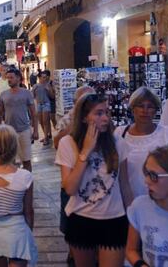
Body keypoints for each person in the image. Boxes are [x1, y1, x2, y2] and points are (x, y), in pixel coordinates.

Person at [55, 93, 129, 267]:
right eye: (98, 113)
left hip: (114, 218)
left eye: (106, 112)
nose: (105, 118)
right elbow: (70, 188)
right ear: (83, 118)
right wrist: (85, 152)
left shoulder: (118, 142)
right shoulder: (67, 143)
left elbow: (125, 185)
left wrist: (132, 217)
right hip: (81, 218)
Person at [0, 124, 37, 266]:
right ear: (15, 146)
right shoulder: (25, 177)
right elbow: (29, 212)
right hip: (16, 231)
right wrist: (29, 232)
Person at [114, 86, 168, 206]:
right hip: (125, 201)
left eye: (150, 106)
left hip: (160, 202)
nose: (145, 111)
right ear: (133, 109)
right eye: (141, 106)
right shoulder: (119, 133)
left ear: (155, 110)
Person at [53, 85, 95, 266]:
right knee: (70, 221)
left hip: (94, 182)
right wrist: (72, 127)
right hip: (71, 177)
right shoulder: (68, 119)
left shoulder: (101, 118)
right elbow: (56, 142)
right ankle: (73, 254)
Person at [0, 68, 38, 171]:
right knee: (11, 160)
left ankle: (28, 182)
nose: (9, 80)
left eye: (11, 77)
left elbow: (33, 113)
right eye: (8, 78)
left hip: (24, 130)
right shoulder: (3, 94)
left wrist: (36, 130)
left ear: (18, 78)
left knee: (26, 160)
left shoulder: (26, 93)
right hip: (9, 132)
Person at [31, 71, 53, 146]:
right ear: (39, 78)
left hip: (46, 104)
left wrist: (48, 90)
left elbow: (52, 96)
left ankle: (46, 138)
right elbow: (32, 96)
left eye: (45, 77)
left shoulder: (48, 85)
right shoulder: (35, 86)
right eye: (43, 77)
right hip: (39, 105)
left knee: (46, 121)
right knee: (41, 122)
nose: (45, 78)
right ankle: (45, 135)